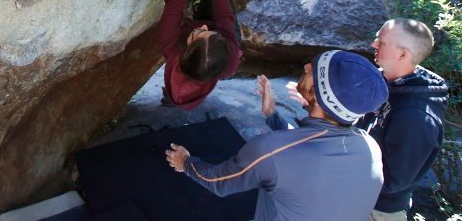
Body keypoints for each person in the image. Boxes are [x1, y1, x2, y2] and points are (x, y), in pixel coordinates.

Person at [166, 50, 389, 221]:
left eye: (314, 70)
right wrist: (272, 115)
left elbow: (219, 182)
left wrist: (185, 162)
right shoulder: (369, 146)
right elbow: (306, 155)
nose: (306, 66)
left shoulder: (269, 149)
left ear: (320, 97)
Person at [357, 19, 449, 221]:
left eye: (381, 41)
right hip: (359, 200)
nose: (373, 44)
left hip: (378, 211)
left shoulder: (417, 116)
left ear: (402, 54)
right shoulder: (384, 83)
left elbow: (393, 181)